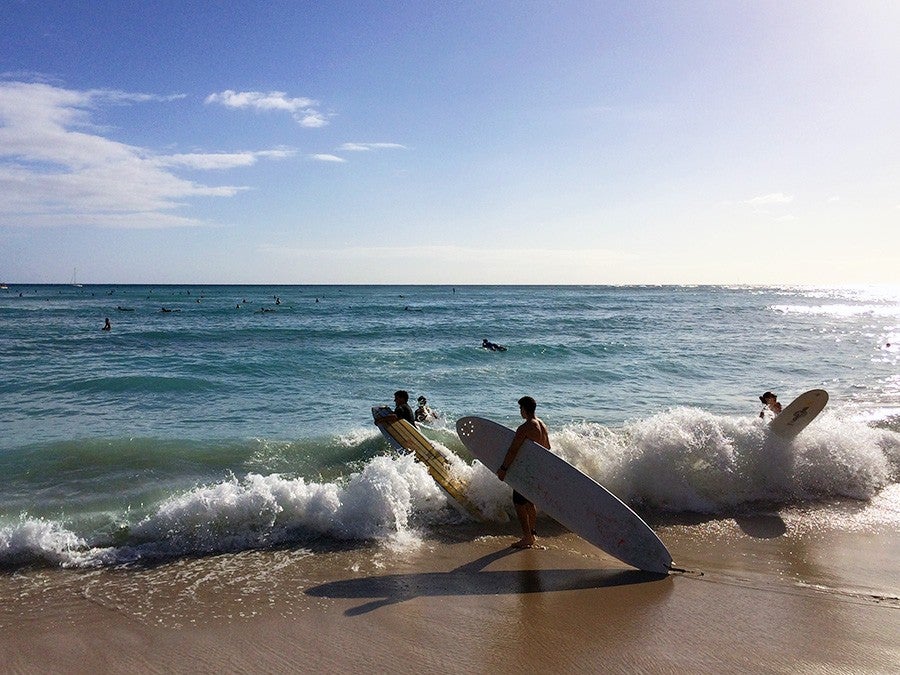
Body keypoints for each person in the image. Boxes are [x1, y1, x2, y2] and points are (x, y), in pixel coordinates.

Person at [496, 396, 549, 549]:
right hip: (537, 470)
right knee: (529, 502)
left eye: (520, 408)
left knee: (519, 503)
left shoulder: (525, 427)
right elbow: (548, 448)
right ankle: (532, 534)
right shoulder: (542, 425)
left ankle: (527, 537)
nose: (520, 411)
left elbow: (513, 450)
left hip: (526, 471)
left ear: (524, 409)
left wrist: (503, 469)